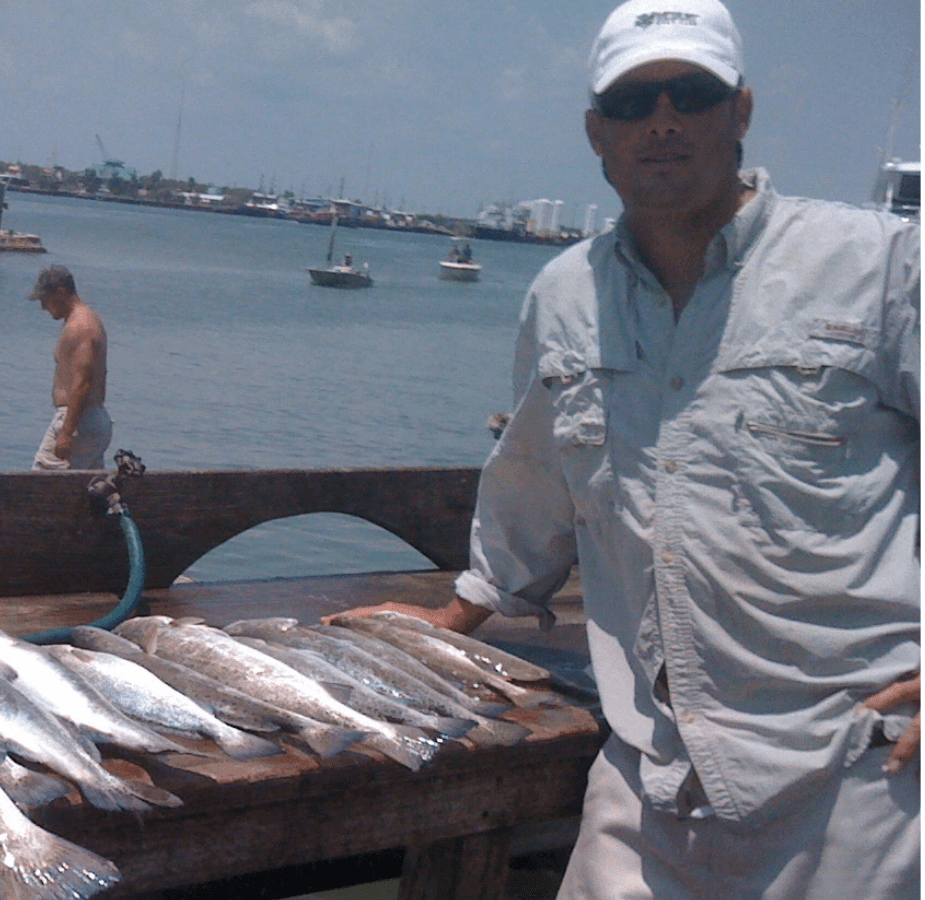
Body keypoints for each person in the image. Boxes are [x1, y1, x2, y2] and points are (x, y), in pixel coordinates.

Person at [325, 2, 919, 898]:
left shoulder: (880, 265)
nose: (664, 121)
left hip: (857, 775)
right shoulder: (563, 295)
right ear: (596, 133)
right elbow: (530, 481)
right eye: (634, 103)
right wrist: (453, 624)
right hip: (650, 769)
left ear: (740, 112)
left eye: (691, 93)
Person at [29, 264, 112, 470]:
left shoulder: (81, 326)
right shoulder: (88, 320)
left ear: (61, 292)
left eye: (45, 300)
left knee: (38, 486)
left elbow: (83, 380)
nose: (43, 307)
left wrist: (67, 431)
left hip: (78, 420)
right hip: (92, 419)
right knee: (83, 493)